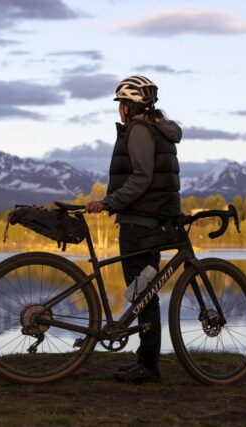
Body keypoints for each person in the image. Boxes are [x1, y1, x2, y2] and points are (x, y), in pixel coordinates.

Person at [86, 75, 182, 383]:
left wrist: (108, 202)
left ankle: (148, 366)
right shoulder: (159, 129)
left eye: (121, 104)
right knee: (146, 293)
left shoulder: (139, 130)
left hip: (139, 223)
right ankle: (146, 359)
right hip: (153, 221)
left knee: (144, 295)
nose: (120, 110)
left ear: (129, 106)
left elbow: (141, 178)